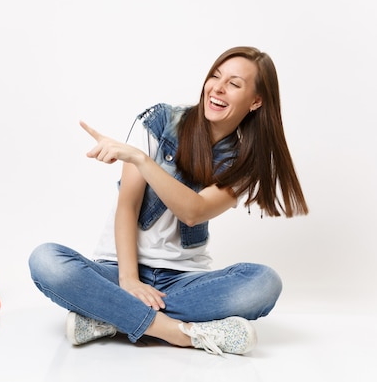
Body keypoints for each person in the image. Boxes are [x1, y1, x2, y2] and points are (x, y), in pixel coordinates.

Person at [28, 46, 309, 356]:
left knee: (264, 283)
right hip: (119, 268)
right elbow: (128, 206)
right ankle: (180, 333)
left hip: (182, 280)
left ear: (256, 101)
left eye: (234, 83)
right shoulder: (159, 120)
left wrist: (142, 160)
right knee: (46, 261)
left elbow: (193, 212)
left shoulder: (245, 162)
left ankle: (108, 318)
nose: (217, 87)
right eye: (215, 76)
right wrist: (129, 280)